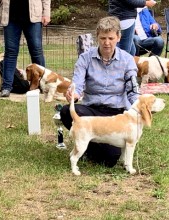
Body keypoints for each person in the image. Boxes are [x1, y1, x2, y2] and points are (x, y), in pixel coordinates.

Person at [60, 16, 140, 168]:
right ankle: (87, 141)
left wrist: (141, 105)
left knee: (109, 159)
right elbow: (77, 83)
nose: (107, 42)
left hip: (116, 114)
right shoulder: (85, 59)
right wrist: (74, 94)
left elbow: (133, 90)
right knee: (66, 111)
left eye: (111, 38)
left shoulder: (128, 60)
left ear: (118, 37)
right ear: (97, 36)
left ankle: (91, 146)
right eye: (103, 38)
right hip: (91, 110)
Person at [0, 0, 51, 97]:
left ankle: (42, 85)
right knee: (10, 52)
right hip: (10, 17)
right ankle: (6, 87)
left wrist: (46, 13)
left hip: (33, 17)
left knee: (36, 51)